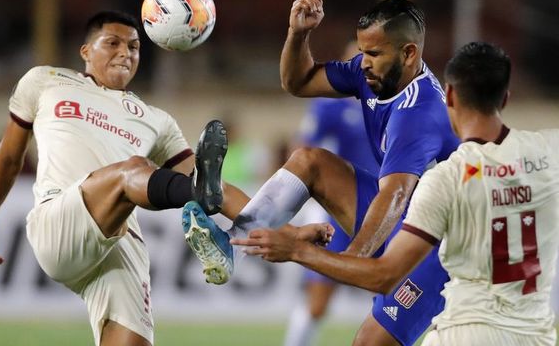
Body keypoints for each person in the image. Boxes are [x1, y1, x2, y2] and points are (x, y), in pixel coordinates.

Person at [233, 41, 559, 346]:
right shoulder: (548, 152)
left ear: (449, 96)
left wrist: (297, 251)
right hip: (537, 335)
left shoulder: (447, 179)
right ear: (506, 99)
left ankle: (217, 212)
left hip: (465, 333)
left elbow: (386, 275)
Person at [183, 0, 460, 346]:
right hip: (402, 212)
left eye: (373, 54)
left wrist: (350, 261)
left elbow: (395, 196)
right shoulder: (372, 75)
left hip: (437, 247)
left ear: (409, 53)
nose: (363, 63)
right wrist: (298, 34)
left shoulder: (418, 114)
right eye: (363, 52)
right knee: (309, 162)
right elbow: (297, 81)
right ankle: (230, 244)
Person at [0, 10, 236, 346]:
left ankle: (206, 215)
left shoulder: (157, 120)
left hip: (122, 242)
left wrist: (279, 227)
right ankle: (192, 197)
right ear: (86, 51)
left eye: (134, 47)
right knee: (133, 171)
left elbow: (216, 189)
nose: (126, 52)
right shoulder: (45, 81)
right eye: (113, 43)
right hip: (59, 220)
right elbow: (8, 158)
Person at [284, 95, 378, 346]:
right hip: (340, 212)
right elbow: (302, 147)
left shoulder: (393, 105)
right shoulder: (330, 107)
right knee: (317, 304)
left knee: (395, 299)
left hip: (384, 213)